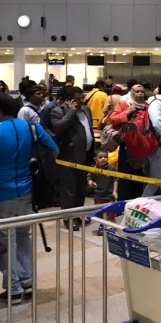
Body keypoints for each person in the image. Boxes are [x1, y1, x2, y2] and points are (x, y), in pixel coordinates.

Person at [0, 93, 58, 304]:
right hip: (27, 193)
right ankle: (27, 282)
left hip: (1, 196)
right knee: (23, 237)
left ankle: (13, 289)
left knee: (4, 242)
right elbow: (54, 151)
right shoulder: (30, 127)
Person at [51, 86, 95, 229]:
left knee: (81, 189)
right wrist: (71, 111)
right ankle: (69, 219)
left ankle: (78, 215)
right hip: (68, 157)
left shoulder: (86, 109)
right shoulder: (58, 111)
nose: (81, 101)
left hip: (85, 156)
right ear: (69, 100)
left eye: (82, 98)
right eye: (77, 99)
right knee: (69, 191)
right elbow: (58, 127)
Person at [108, 84, 148, 200]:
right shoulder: (124, 104)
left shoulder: (147, 106)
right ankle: (123, 202)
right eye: (137, 91)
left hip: (141, 145)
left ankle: (137, 202)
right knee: (125, 176)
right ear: (132, 92)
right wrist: (126, 112)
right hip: (126, 145)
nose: (140, 94)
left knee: (139, 176)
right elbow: (113, 119)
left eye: (142, 91)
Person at [87, 147, 118, 225]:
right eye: (100, 157)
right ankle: (102, 227)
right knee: (100, 215)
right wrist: (90, 182)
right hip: (98, 197)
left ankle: (113, 227)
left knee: (110, 214)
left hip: (109, 196)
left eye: (105, 157)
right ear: (95, 159)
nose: (103, 159)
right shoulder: (93, 169)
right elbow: (89, 178)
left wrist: (115, 191)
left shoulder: (111, 168)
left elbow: (115, 180)